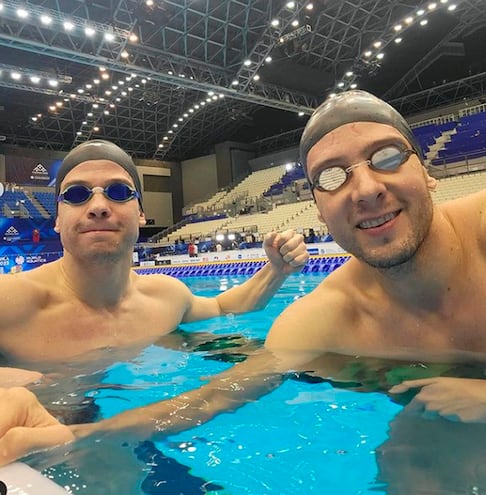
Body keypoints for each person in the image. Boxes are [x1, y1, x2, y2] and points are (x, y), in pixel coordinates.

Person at [4, 91, 486, 486]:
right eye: (332, 177)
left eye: (386, 157)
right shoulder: (324, 318)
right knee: (418, 460)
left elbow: (226, 304)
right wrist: (74, 436)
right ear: (319, 207)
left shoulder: (164, 298)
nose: (364, 189)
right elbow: (210, 398)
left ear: (427, 169)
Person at [0, 138, 307, 385]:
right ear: (57, 219)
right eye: (76, 194)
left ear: (141, 214)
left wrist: (276, 271)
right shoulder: (11, 300)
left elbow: (224, 306)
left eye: (118, 192)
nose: (98, 207)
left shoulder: (165, 296)